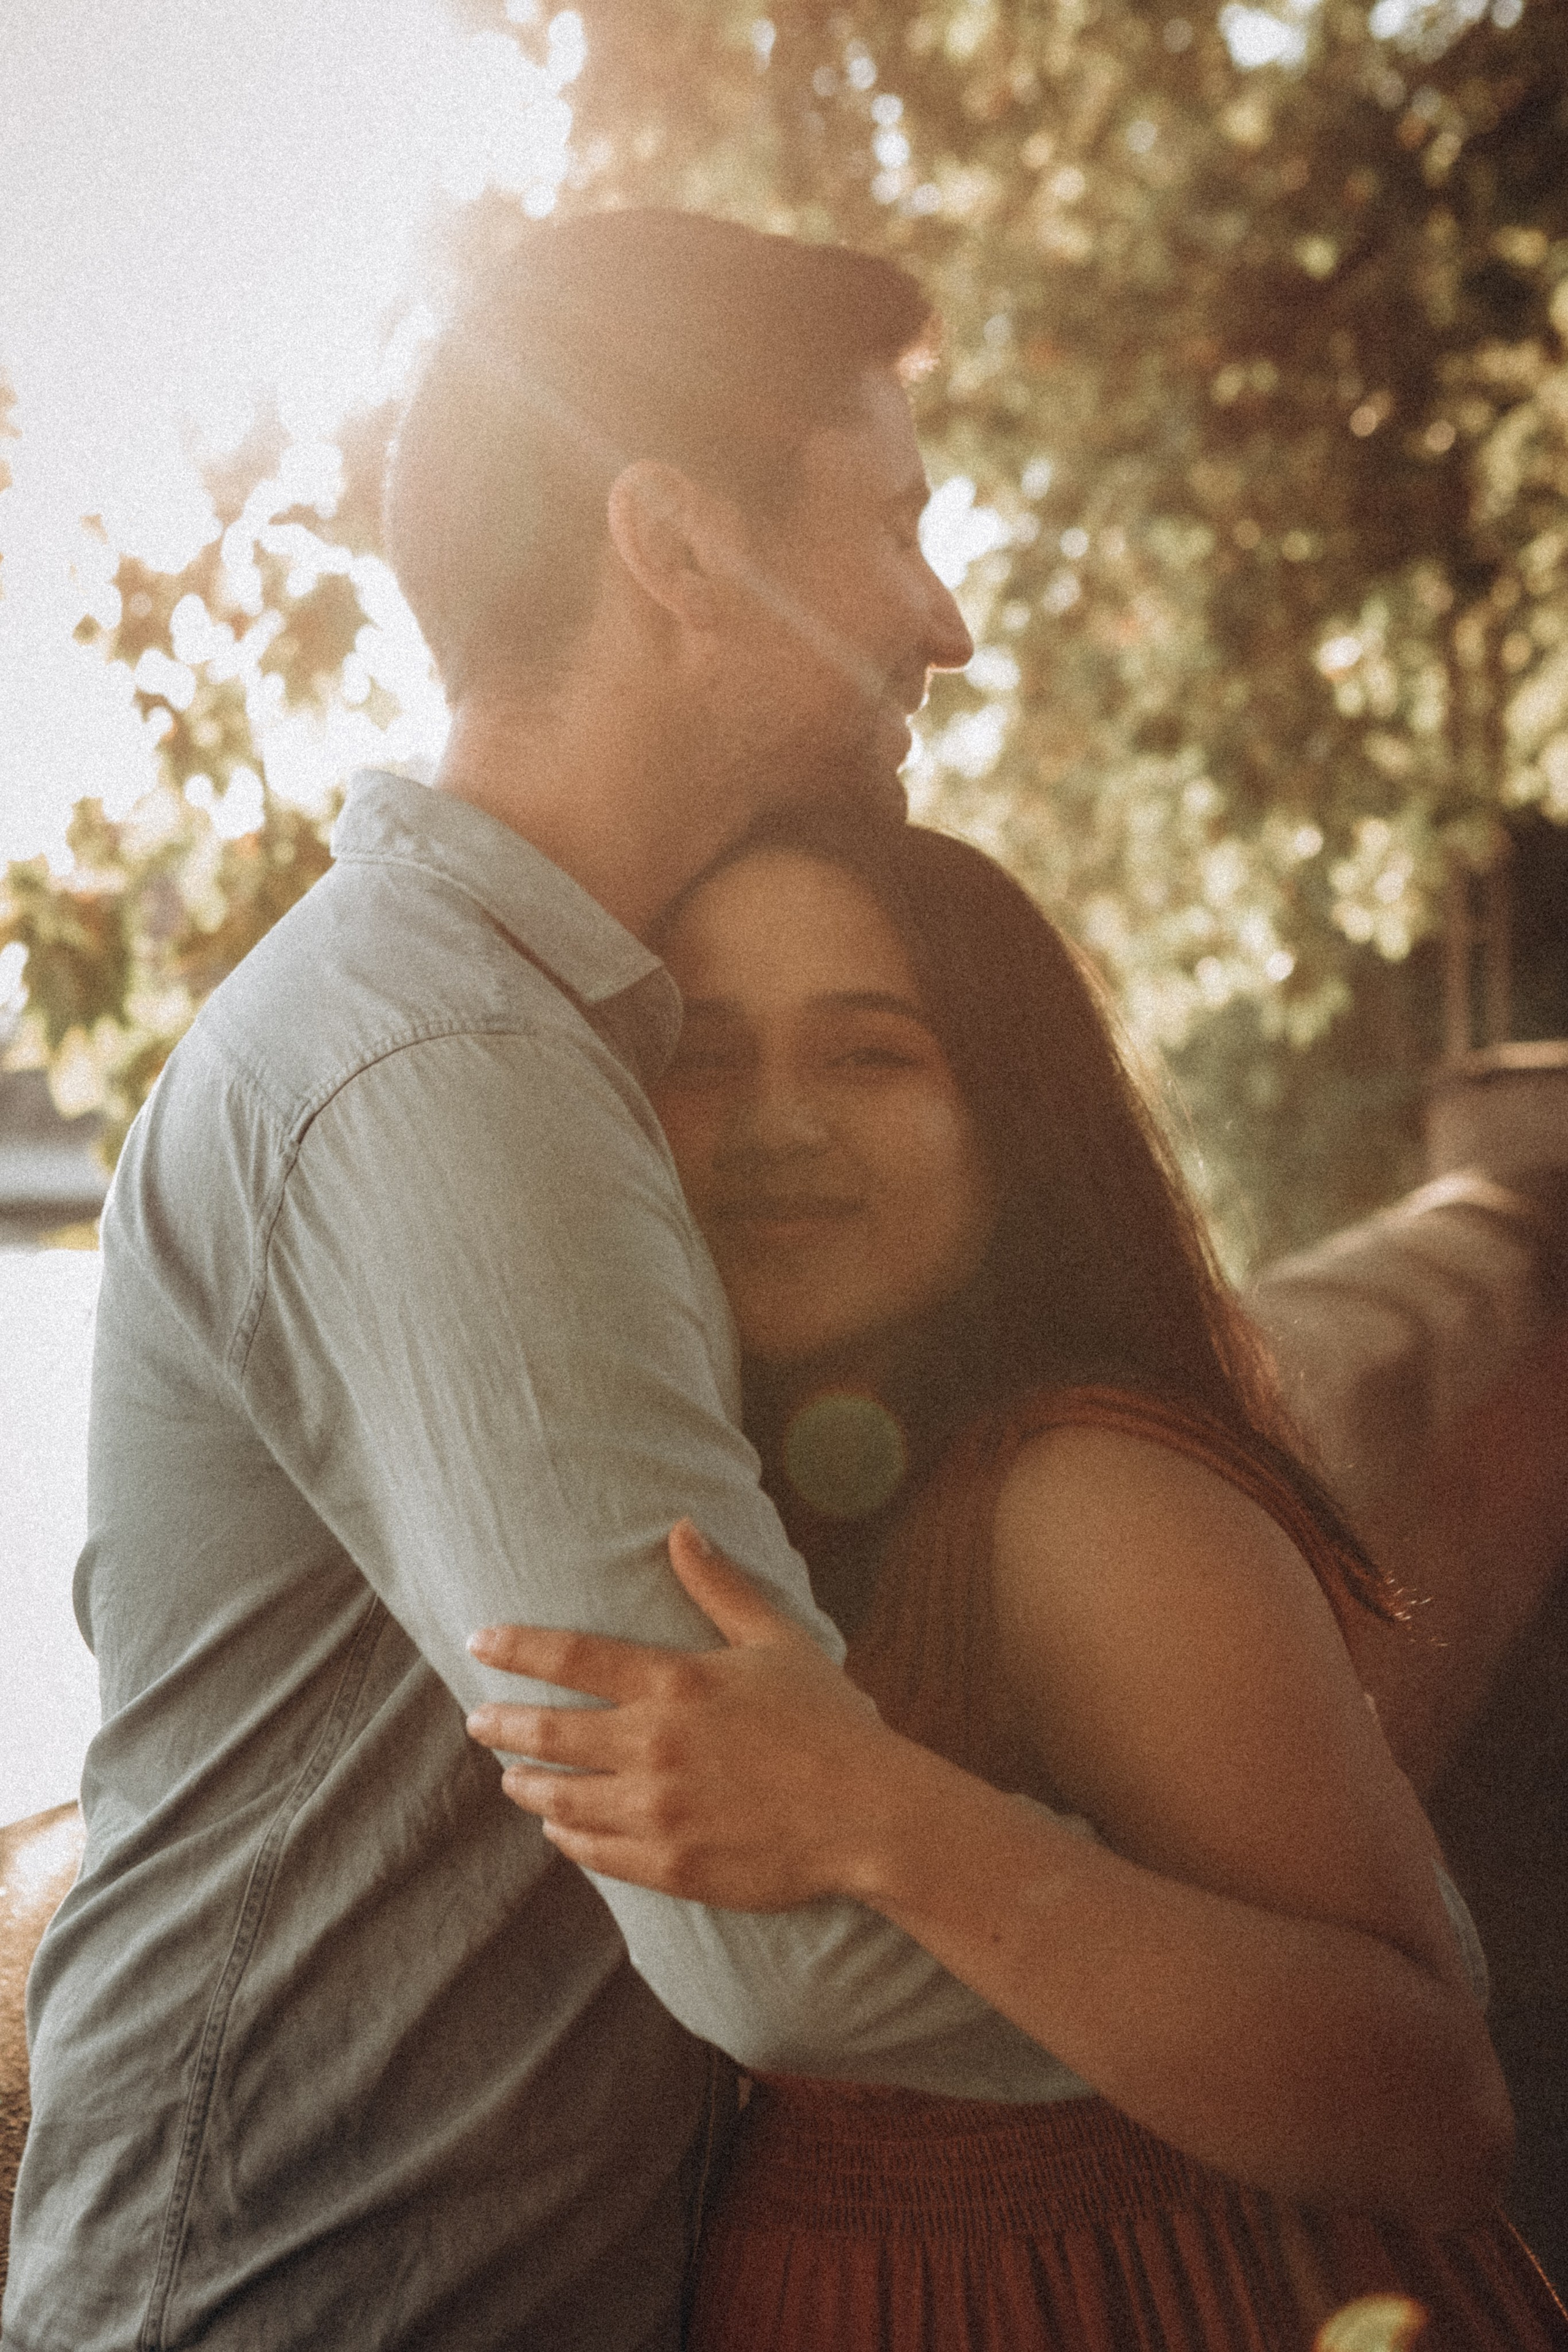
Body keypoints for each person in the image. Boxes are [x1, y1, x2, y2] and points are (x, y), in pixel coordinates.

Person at [2, 214, 1087, 2352]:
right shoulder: (449, 1070)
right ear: (678, 546)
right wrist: (1309, 2004)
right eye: (892, 524)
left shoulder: (564, 1048)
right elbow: (756, 1938)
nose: (944, 624)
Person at [466, 809, 1568, 2351]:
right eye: (705, 1058)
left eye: (869, 1055)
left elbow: (1433, 2111)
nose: (775, 1125)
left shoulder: (1082, 1497)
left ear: (1011, 1116)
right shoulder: (773, 1492)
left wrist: (872, 1811)